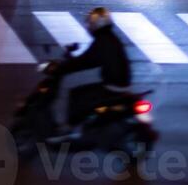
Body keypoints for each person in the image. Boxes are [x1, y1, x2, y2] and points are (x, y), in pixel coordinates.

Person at [49, 7, 132, 139]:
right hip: (118, 82)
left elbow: (87, 61)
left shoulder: (103, 41)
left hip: (113, 85)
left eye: (90, 23)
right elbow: (89, 59)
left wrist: (63, 68)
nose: (89, 27)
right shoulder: (109, 37)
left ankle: (70, 128)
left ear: (96, 24)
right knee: (84, 93)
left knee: (76, 94)